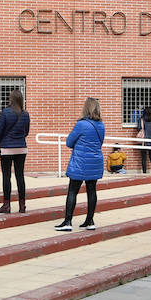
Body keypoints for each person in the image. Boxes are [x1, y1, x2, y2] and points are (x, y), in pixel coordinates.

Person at [56, 97, 105, 232]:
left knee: (73, 190)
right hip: (95, 161)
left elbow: (69, 142)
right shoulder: (101, 125)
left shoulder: (81, 124)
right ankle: (90, 221)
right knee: (91, 190)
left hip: (80, 162)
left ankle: (68, 221)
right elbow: (99, 143)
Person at [0, 89, 30, 213]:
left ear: (11, 99)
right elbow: (26, 132)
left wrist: (0, 143)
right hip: (21, 148)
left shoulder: (6, 112)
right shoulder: (26, 114)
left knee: (6, 176)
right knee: (20, 176)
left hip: (7, 149)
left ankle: (6, 205)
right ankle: (22, 205)